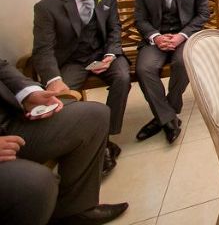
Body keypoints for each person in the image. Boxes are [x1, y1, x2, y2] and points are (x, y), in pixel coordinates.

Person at [32, 0, 130, 176]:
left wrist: (110, 54)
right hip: (73, 60)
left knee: (123, 78)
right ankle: (79, 144)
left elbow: (114, 27)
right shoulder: (47, 7)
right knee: (62, 95)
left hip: (105, 55)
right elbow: (43, 49)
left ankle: (103, 138)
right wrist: (53, 79)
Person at [0, 58, 128, 225]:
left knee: (95, 115)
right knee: (38, 184)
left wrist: (30, 94)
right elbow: (44, 49)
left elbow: (1, 66)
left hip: (11, 121)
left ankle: (75, 209)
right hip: (72, 62)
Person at [134, 0, 210, 144]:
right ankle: (168, 118)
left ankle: (164, 113)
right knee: (144, 68)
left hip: (184, 37)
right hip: (156, 39)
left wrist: (181, 35)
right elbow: (140, 19)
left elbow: (203, 14)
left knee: (183, 62)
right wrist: (156, 37)